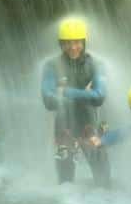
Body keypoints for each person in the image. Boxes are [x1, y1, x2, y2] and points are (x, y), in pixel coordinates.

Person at [41, 17, 110, 187]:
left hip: (89, 122)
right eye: (67, 43)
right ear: (61, 44)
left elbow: (100, 97)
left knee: (103, 178)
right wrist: (85, 94)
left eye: (77, 42)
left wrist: (64, 91)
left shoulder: (95, 64)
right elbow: (48, 100)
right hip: (64, 125)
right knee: (65, 183)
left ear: (84, 42)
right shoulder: (51, 65)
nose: (72, 47)